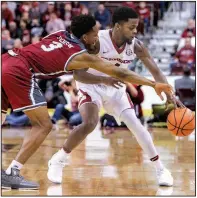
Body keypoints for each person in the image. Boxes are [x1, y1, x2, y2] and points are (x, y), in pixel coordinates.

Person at [2, 14, 173, 190]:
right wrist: (153, 84)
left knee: (2, 113)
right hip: (21, 70)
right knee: (43, 125)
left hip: (6, 59)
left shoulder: (60, 33)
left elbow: (43, 49)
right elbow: (120, 74)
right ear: (84, 37)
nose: (97, 38)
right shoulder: (81, 55)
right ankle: (13, 172)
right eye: (94, 35)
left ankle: (4, 174)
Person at [47, 8, 174, 186]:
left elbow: (157, 72)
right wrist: (104, 79)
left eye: (136, 27)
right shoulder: (96, 41)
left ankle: (161, 169)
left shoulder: (136, 45)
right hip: (91, 85)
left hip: (116, 89)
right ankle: (58, 160)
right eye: (131, 27)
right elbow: (79, 76)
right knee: (90, 123)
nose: (135, 31)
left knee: (138, 127)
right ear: (118, 26)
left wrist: (170, 96)